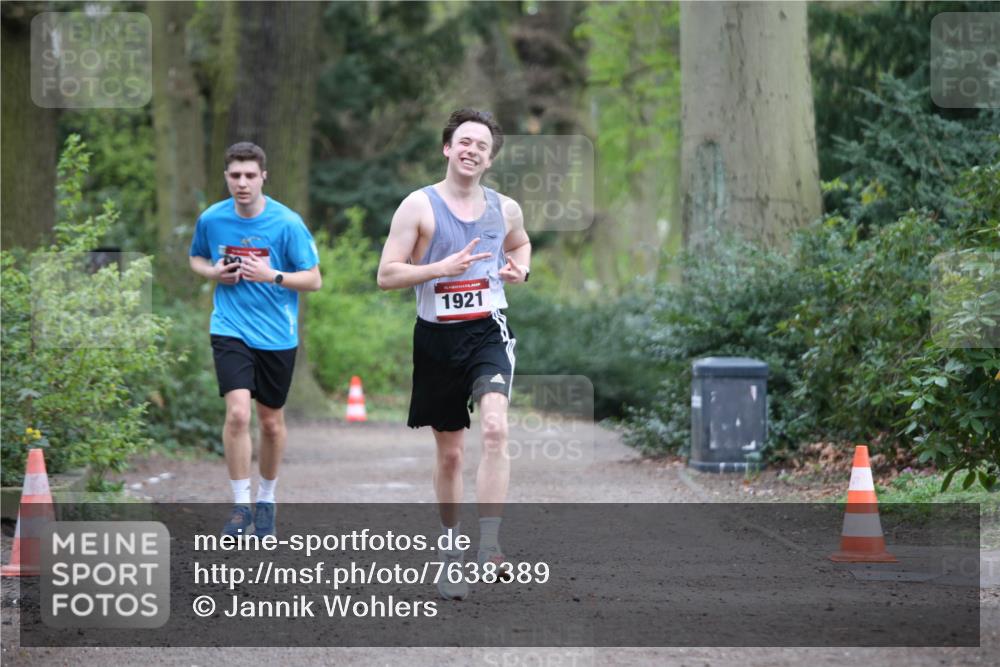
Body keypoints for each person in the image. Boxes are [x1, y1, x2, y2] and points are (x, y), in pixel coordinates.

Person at [377, 109, 531, 600]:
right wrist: (439, 267)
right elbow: (387, 275)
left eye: (481, 146)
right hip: (437, 338)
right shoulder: (417, 207)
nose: (471, 150)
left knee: (494, 427)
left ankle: (489, 546)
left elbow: (522, 246)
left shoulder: (504, 209)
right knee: (450, 456)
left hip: (488, 330)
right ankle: (450, 551)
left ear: (489, 158)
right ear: (448, 149)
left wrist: (520, 271)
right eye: (464, 142)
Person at [189, 142, 322, 538]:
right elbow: (196, 257)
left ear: (263, 176)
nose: (242, 183)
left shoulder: (287, 223)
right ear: (226, 177)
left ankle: (266, 497)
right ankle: (239, 506)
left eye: (250, 175)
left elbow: (314, 279)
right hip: (230, 327)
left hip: (277, 334)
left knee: (271, 423)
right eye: (235, 176)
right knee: (238, 414)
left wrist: (273, 275)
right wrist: (214, 272)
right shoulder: (212, 219)